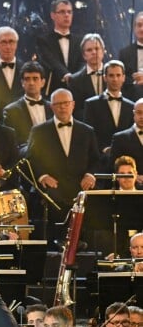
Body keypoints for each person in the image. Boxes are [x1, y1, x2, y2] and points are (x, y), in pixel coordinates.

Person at [26, 88, 100, 243]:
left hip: (80, 189)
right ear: (51, 107)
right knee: (55, 237)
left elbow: (96, 159)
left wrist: (90, 174)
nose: (62, 107)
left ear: (73, 104)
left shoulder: (87, 130)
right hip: (53, 192)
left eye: (66, 103)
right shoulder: (39, 131)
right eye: (58, 104)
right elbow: (31, 159)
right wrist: (43, 176)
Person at [83, 60, 134, 154]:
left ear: (124, 78)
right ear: (105, 78)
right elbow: (89, 134)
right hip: (100, 159)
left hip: (126, 159)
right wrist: (104, 149)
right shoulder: (91, 104)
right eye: (111, 75)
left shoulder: (131, 106)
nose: (115, 79)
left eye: (118, 75)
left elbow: (132, 134)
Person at [35, 0, 83, 93]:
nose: (66, 15)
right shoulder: (43, 40)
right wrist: (66, 75)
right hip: (53, 90)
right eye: (62, 12)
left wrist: (76, 78)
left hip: (78, 90)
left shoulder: (80, 40)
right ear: (52, 15)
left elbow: (83, 62)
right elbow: (51, 61)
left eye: (69, 12)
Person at [2, 61, 53, 150]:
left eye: (35, 78)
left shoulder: (53, 107)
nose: (31, 83)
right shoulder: (11, 111)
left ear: (43, 82)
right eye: (27, 79)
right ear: (22, 82)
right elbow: (10, 143)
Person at [67, 33, 106, 117]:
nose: (94, 52)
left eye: (97, 48)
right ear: (84, 55)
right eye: (89, 50)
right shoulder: (74, 80)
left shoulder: (115, 75)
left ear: (103, 51)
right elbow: (76, 111)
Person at [109, 98, 143, 179]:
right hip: (129, 188)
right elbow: (113, 167)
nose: (142, 116)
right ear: (133, 114)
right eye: (139, 113)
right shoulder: (120, 138)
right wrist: (134, 177)